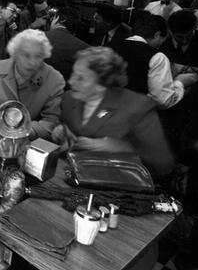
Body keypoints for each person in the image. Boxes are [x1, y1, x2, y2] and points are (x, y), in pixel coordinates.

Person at [52, 46, 175, 180]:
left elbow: (163, 163)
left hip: (120, 187)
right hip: (72, 178)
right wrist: (61, 133)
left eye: (80, 78)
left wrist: (124, 148)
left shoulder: (138, 107)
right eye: (73, 74)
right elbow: (69, 138)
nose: (71, 82)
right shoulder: (70, 98)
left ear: (102, 84)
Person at [116, 13, 198, 108]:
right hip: (137, 113)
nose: (184, 41)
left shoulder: (108, 46)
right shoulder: (157, 56)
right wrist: (179, 82)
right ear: (157, 35)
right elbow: (163, 101)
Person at [44, 7, 90, 82]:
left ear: (60, 19)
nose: (51, 21)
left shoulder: (35, 37)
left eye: (53, 18)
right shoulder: (85, 49)